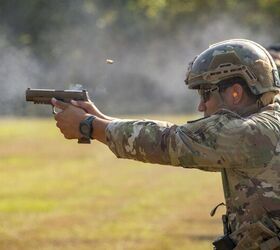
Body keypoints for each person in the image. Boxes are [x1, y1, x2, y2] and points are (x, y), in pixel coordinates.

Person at [52, 39, 280, 250]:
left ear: (235, 93)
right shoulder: (269, 119)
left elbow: (170, 141)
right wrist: (102, 121)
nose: (201, 106)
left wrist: (90, 126)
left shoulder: (249, 133)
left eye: (205, 94)